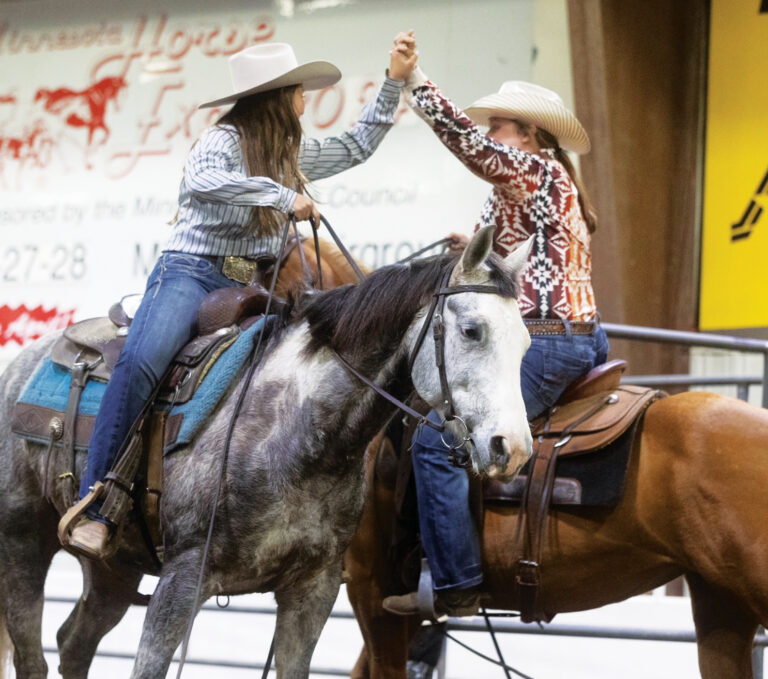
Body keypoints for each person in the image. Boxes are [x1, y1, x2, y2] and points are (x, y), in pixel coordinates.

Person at [64, 36, 418, 560]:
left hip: (251, 282)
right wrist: (282, 194)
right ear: (277, 97)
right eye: (298, 91)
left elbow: (356, 146)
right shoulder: (222, 139)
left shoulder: (289, 155)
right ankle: (93, 503)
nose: (305, 100)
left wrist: (393, 81)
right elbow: (206, 181)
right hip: (190, 273)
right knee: (140, 364)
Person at [382, 58, 609, 617]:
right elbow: (515, 259)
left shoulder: (535, 169)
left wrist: (414, 83)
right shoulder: (547, 181)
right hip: (575, 333)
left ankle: (457, 584)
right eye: (493, 128)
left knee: (438, 438)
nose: (490, 136)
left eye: (501, 126)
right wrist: (470, 243)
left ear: (529, 135)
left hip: (548, 339)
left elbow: (465, 142)